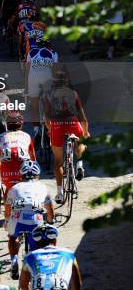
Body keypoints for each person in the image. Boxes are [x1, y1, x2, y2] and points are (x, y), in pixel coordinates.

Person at [44, 71, 89, 203]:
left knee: (58, 161)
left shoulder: (48, 95)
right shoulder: (73, 94)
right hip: (72, 122)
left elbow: (46, 117)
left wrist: (50, 129)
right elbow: (82, 116)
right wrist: (85, 132)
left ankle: (59, 193)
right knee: (80, 142)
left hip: (57, 124)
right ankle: (79, 163)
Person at [5, 160, 54, 279]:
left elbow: (7, 209)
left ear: (21, 175)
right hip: (35, 220)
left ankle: (14, 260)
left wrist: (7, 221)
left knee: (12, 237)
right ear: (38, 175)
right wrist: (50, 221)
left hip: (18, 220)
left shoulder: (14, 188)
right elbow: (50, 210)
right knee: (37, 247)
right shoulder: (43, 187)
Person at [19, 224, 81, 290]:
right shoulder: (69, 254)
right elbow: (76, 284)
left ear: (36, 244)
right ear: (55, 240)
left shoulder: (29, 257)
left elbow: (23, 285)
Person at [0, 112, 35, 199]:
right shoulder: (27, 136)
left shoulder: (1, 137)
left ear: (7, 124)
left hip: (6, 171)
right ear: (21, 123)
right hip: (22, 171)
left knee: (9, 190)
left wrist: (2, 172)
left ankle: (7, 211)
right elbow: (33, 160)